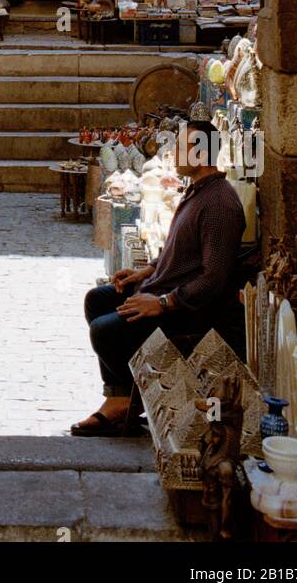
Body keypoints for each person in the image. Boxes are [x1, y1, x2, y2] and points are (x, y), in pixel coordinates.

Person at [71, 118, 245, 437]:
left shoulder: (220, 203)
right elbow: (178, 250)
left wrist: (163, 304)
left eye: (180, 146)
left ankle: (120, 402)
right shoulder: (198, 190)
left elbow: (213, 279)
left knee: (105, 331)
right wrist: (146, 271)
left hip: (188, 310)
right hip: (163, 290)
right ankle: (122, 395)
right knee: (98, 299)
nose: (174, 152)